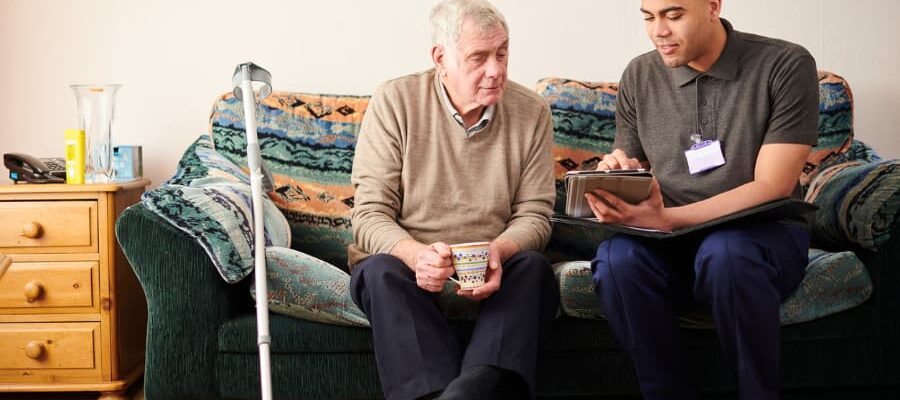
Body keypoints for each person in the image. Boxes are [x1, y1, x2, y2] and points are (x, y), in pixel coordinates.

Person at [586, 1, 819, 399]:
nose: (658, 30)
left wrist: (670, 219)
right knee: (616, 259)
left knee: (726, 252)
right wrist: (616, 172)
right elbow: (634, 166)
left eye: (673, 15)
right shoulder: (640, 74)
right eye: (648, 17)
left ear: (712, 6)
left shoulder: (785, 64)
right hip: (669, 242)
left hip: (760, 235)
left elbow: (773, 185)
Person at [347, 0, 559, 399]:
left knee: (533, 268)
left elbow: (536, 215)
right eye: (479, 57)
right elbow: (370, 214)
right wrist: (416, 257)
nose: (495, 69)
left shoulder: (531, 112)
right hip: (410, 270)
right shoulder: (395, 101)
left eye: (502, 53)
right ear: (440, 58)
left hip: (495, 272)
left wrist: (499, 251)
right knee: (378, 272)